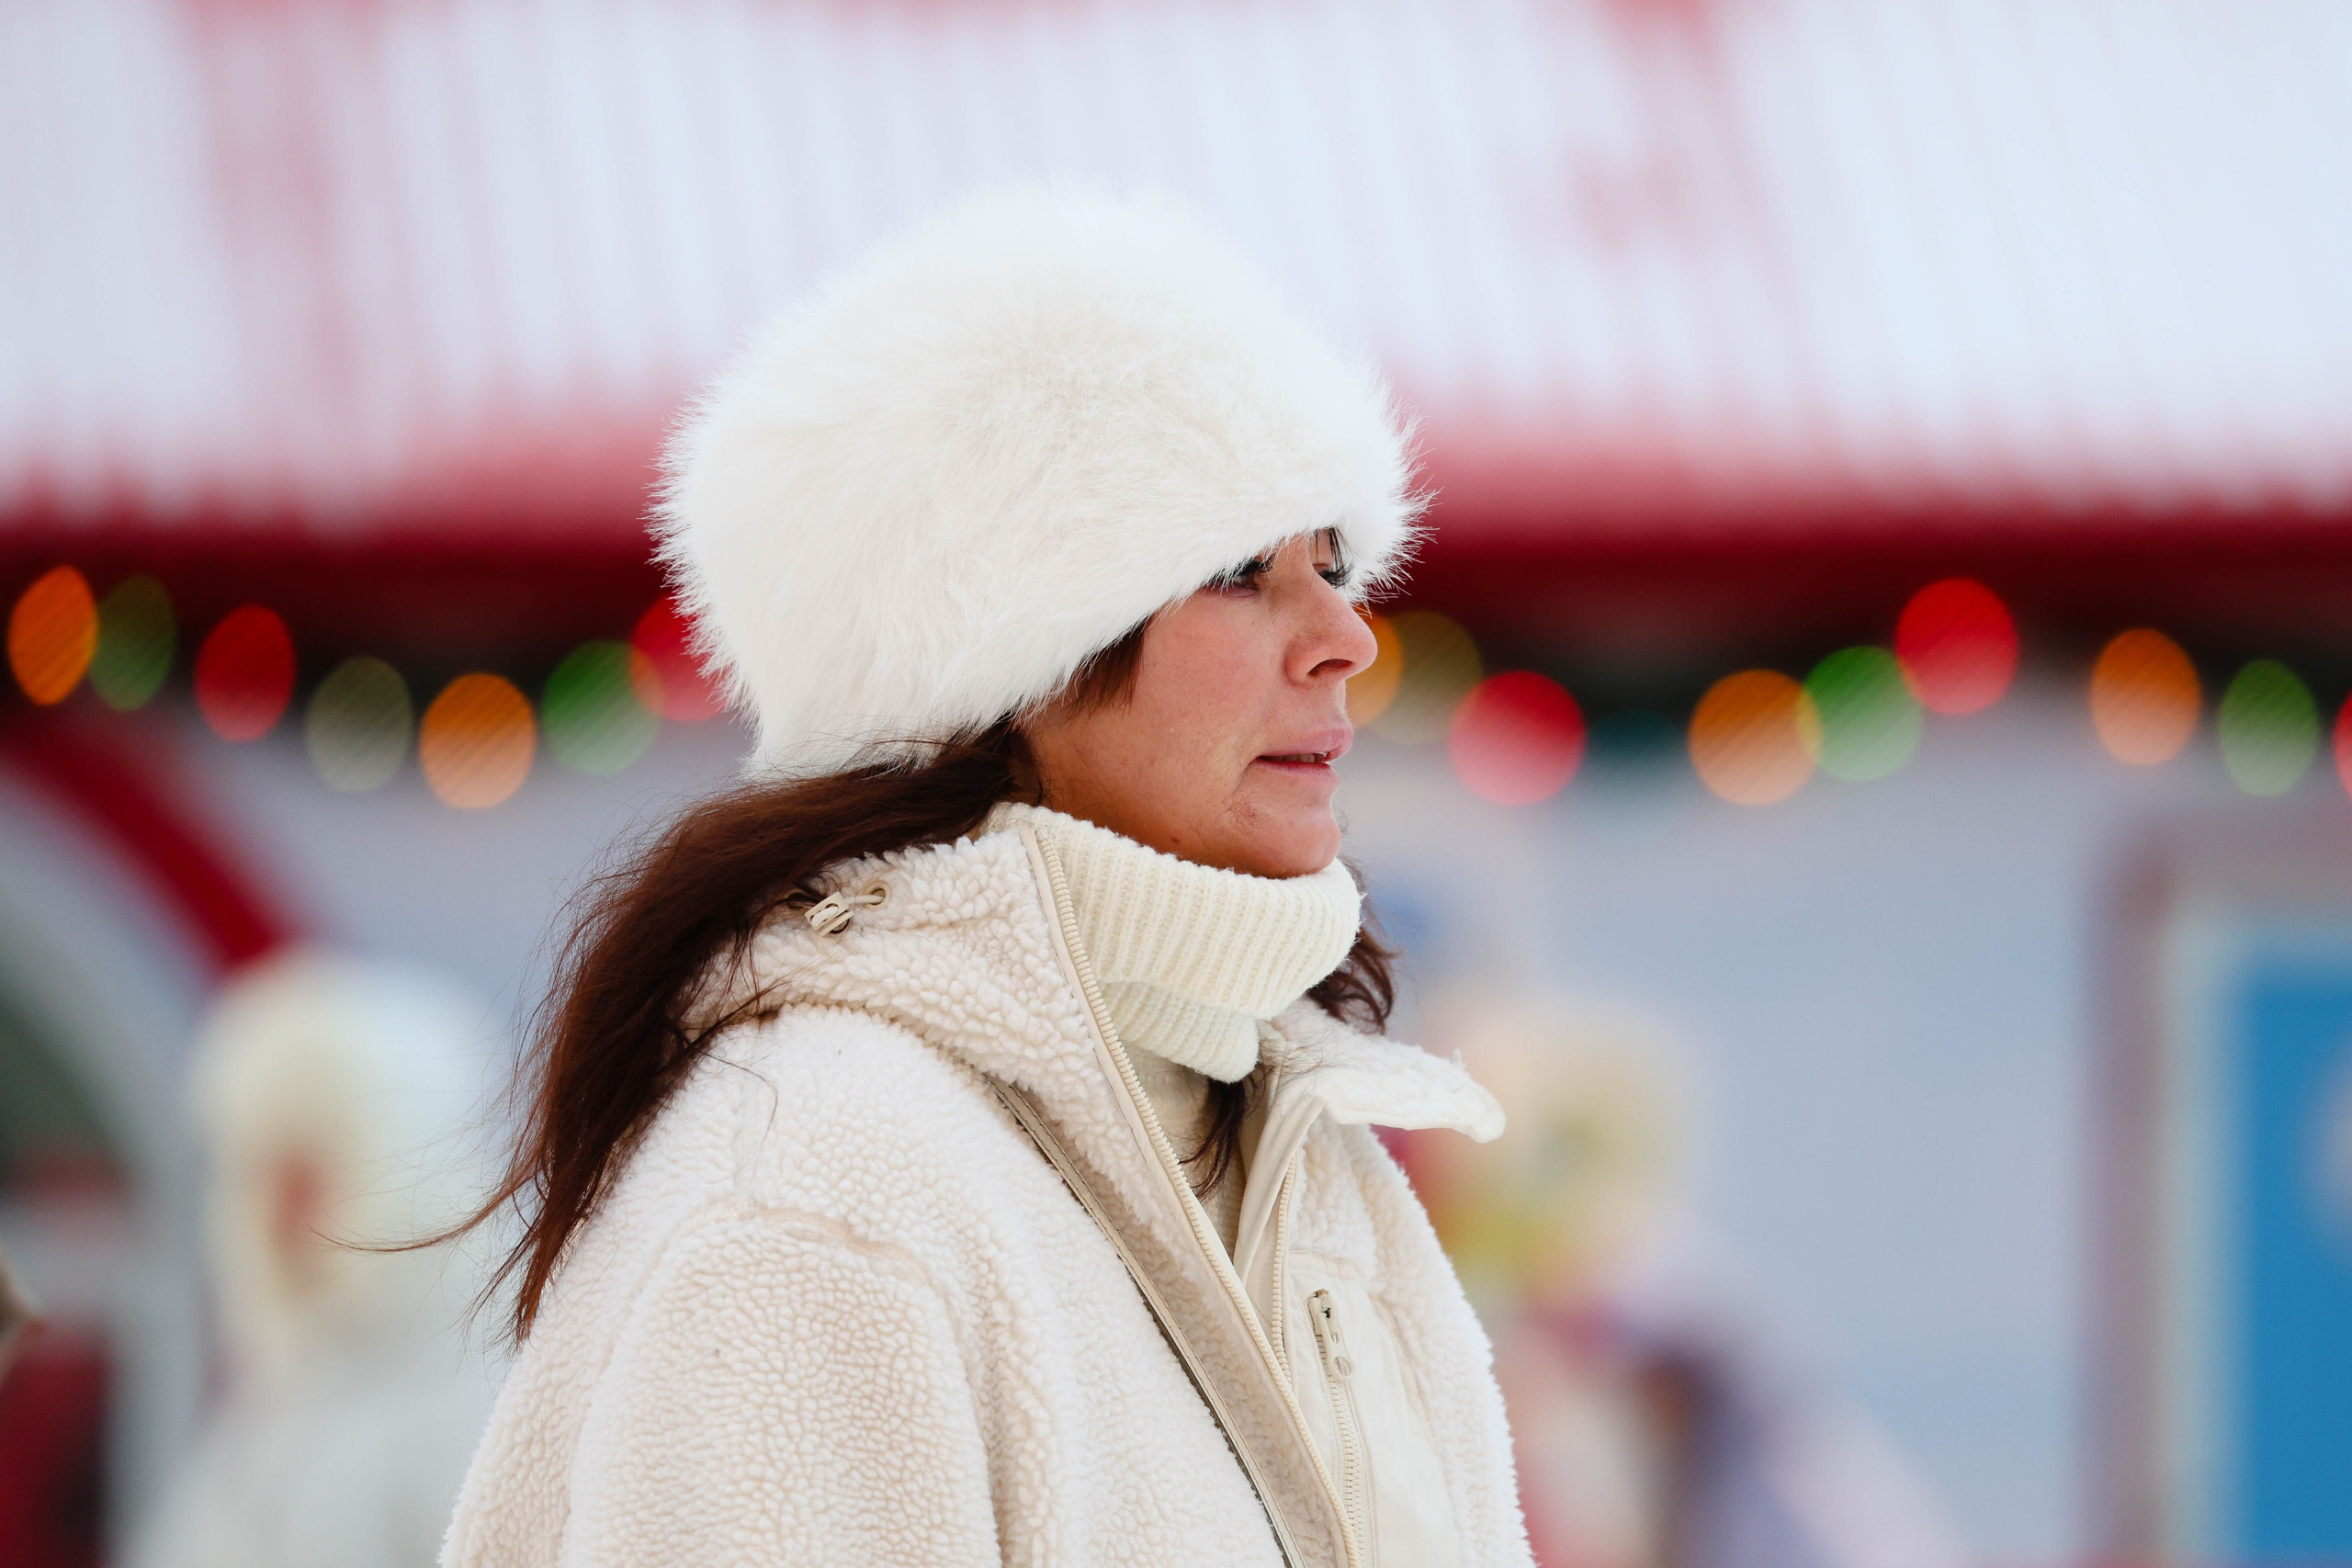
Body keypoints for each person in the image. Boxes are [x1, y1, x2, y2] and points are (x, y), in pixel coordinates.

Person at [442, 188, 1528, 1568]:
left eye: (1336, 560)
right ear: (1004, 659)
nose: (1346, 639)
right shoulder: (826, 1195)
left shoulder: (1299, 1150)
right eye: (1241, 571)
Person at [133, 951, 503, 1568]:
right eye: (261, 1173)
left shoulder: (483, 1409)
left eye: (309, 1171)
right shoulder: (277, 1405)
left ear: (409, 1174)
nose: (278, 1211)